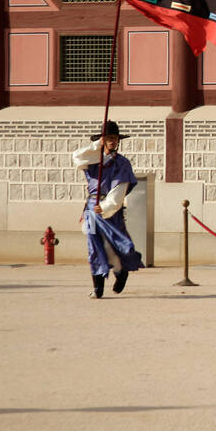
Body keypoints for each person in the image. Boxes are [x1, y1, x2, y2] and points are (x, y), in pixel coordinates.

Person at [72, 120, 143, 299]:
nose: (113, 142)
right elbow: (77, 157)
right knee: (94, 245)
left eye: (115, 138)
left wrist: (104, 207)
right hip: (91, 210)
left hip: (108, 208)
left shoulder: (122, 164)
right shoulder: (93, 161)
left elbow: (119, 191)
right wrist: (97, 145)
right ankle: (98, 287)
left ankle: (120, 272)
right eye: (109, 138)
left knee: (112, 246)